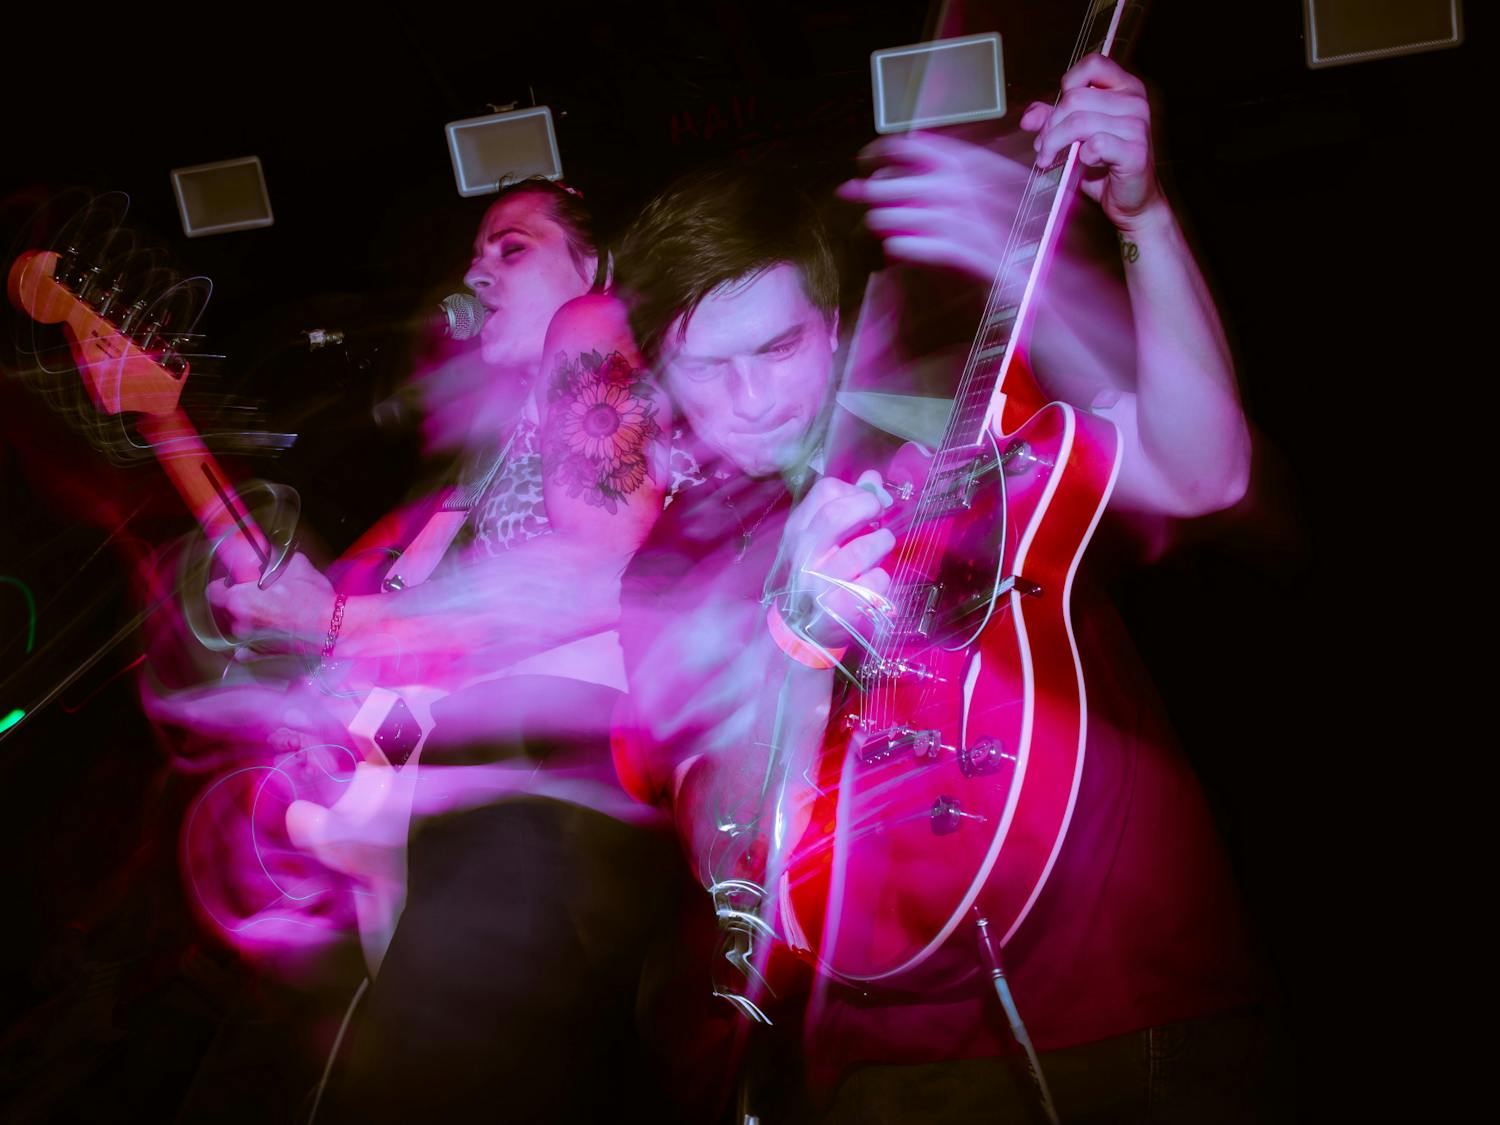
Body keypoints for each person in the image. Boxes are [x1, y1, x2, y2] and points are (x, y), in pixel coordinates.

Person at [610, 54, 1279, 1121]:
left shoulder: (962, 426)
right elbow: (723, 851)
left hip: (1147, 993)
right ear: (658, 374)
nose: (748, 398)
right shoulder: (669, 570)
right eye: (707, 367)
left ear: (830, 329)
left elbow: (1207, 473)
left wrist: (1142, 219)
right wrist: (793, 644)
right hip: (894, 1061)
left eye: (778, 347)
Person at [149, 178, 693, 1121]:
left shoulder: (590, 323)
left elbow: (603, 566)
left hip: (544, 772)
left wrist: (332, 625)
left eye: (512, 246)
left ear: (593, 267)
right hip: (474, 796)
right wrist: (164, 424)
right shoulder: (473, 475)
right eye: (475, 250)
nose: (477, 267)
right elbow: (337, 619)